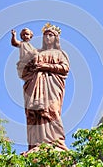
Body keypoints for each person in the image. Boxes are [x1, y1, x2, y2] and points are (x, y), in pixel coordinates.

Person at [15, 23, 70, 152]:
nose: (47, 38)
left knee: (52, 111)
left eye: (50, 35)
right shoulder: (36, 52)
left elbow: (64, 68)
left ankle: (56, 142)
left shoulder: (59, 53)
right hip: (35, 86)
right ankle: (36, 144)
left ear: (56, 38)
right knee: (35, 113)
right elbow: (23, 70)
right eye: (45, 35)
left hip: (52, 86)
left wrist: (44, 66)